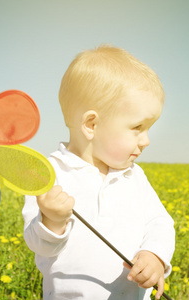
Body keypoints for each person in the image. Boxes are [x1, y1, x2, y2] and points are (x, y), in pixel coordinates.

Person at [22, 45, 175, 300]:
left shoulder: (134, 177)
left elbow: (159, 222)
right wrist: (52, 221)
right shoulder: (49, 175)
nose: (146, 140)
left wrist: (154, 254)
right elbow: (39, 246)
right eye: (137, 127)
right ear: (91, 124)